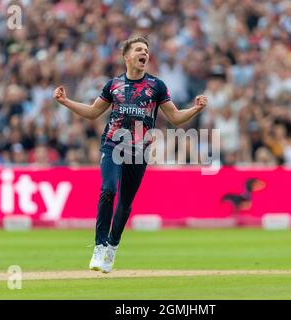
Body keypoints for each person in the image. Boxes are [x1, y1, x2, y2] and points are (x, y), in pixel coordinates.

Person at [53, 37, 208, 273]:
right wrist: (66, 102)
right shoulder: (113, 85)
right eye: (138, 49)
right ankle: (99, 245)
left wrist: (195, 109)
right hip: (112, 145)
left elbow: (175, 118)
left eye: (146, 49)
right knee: (108, 190)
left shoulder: (156, 86)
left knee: (124, 205)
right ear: (127, 57)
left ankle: (112, 247)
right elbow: (94, 112)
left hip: (139, 151)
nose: (143, 52)